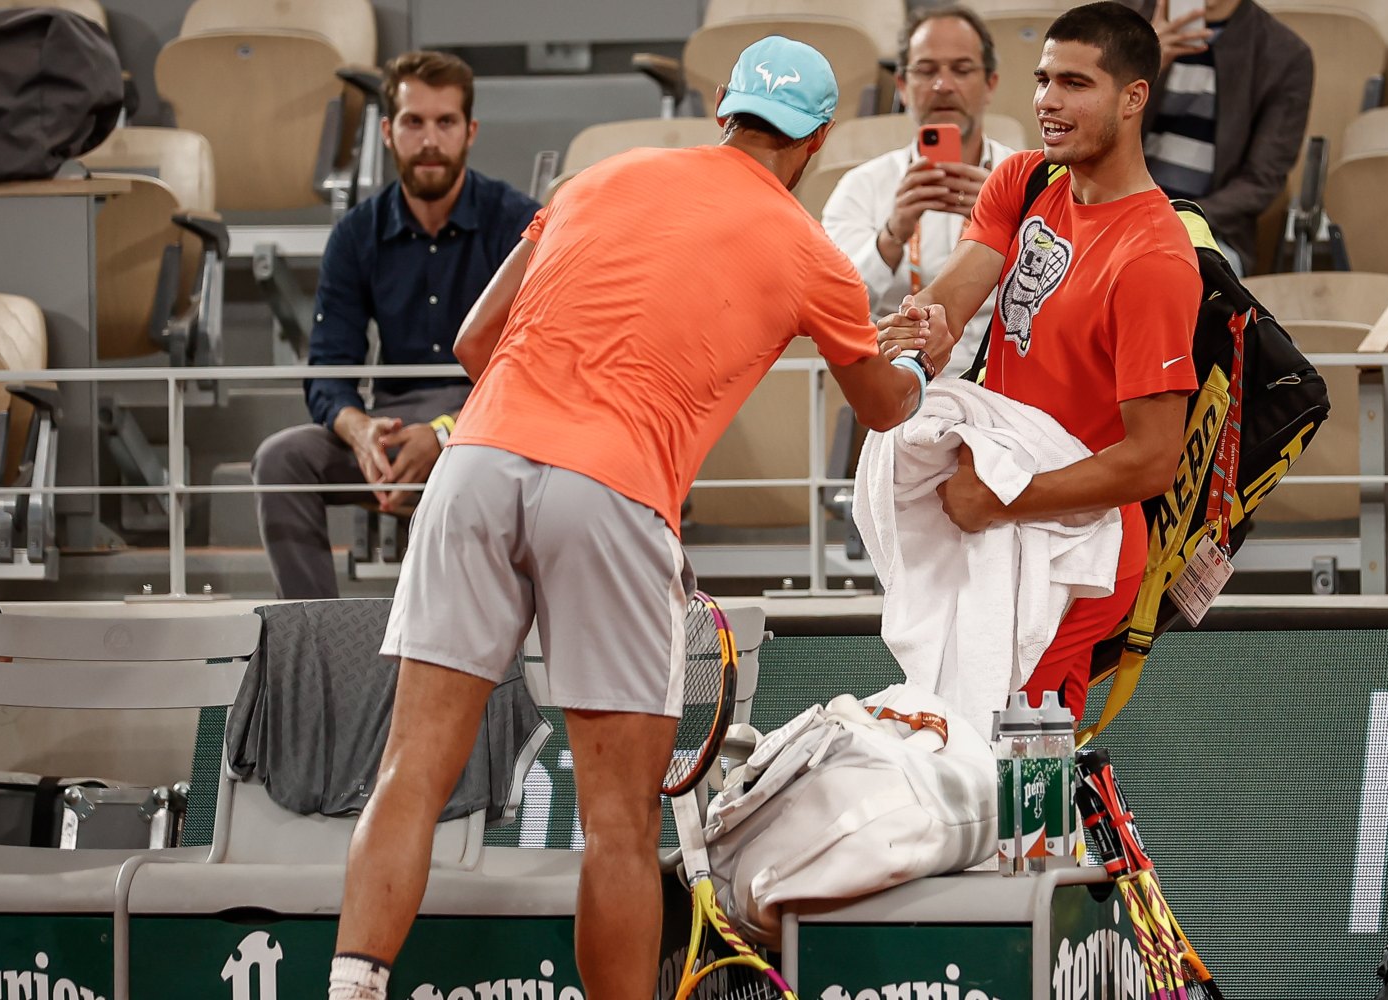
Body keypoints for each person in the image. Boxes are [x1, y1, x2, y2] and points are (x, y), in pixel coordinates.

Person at [327, 37, 942, 1000]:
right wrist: (924, 357)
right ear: (816, 142)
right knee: (618, 826)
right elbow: (885, 407)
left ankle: (351, 989)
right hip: (609, 490)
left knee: (409, 772)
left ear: (724, 115)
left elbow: (474, 340)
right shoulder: (810, 252)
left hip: (476, 463)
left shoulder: (599, 176)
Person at [880, 2, 1201, 715]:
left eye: (1075, 84)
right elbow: (953, 296)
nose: (1048, 102)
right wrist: (923, 328)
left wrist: (998, 498)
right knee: (969, 756)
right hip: (995, 517)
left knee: (1019, 779)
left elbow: (1153, 460)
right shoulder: (1023, 181)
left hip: (1080, 545)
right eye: (1043, 79)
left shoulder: (1154, 258)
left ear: (1133, 97)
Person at [252, 50, 537, 599]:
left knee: (481, 465)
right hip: (388, 425)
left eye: (445, 122)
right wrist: (359, 430)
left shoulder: (514, 221)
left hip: (486, 426)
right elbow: (328, 367)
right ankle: (318, 644)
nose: (429, 140)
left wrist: (445, 434)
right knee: (280, 460)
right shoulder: (357, 234)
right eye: (413, 122)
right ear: (387, 131)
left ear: (470, 131)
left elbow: (531, 368)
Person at [822, 6, 1019, 377]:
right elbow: (835, 311)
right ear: (902, 86)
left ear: (990, 83)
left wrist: (1008, 226)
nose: (943, 85)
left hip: (1011, 381)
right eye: (926, 71)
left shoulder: (1026, 181)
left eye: (961, 70)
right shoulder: (861, 187)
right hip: (902, 386)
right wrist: (892, 236)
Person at [1128, 0, 1312, 276]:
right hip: (1112, 209)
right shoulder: (1123, 19)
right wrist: (1144, 65)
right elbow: (1089, 131)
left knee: (1166, 274)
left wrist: (1175, 217)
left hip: (1210, 230)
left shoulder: (1284, 54)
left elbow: (1261, 181)